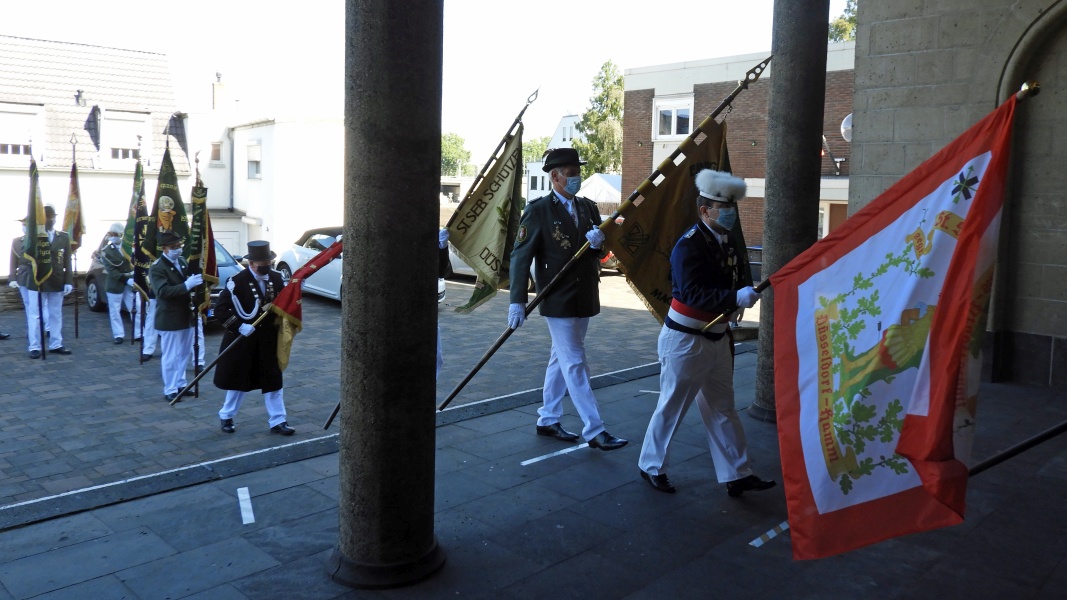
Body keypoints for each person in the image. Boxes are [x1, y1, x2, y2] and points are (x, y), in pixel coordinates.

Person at [636, 169, 775, 497]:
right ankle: (651, 465)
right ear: (704, 211)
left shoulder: (725, 242)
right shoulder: (689, 246)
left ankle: (737, 473)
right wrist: (733, 297)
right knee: (672, 406)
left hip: (716, 337)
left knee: (723, 407)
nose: (729, 213)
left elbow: (729, 281)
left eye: (731, 208)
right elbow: (691, 292)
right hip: (686, 339)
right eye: (722, 207)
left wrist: (741, 293)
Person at [507, 148, 626, 451]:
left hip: (584, 294)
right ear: (555, 176)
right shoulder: (539, 210)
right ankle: (595, 429)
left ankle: (547, 418)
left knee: (560, 359)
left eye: (577, 172)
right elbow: (521, 258)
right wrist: (517, 300)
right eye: (570, 173)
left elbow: (599, 251)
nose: (576, 178)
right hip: (557, 297)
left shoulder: (587, 207)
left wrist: (600, 244)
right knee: (575, 362)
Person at [214, 240, 294, 436]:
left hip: (268, 340)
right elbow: (221, 310)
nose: (267, 266)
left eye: (269, 262)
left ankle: (278, 420)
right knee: (238, 383)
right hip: (243, 340)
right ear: (251, 264)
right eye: (263, 264)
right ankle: (226, 415)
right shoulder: (237, 281)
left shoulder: (275, 278)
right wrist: (239, 325)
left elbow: (283, 304)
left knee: (274, 382)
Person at [150, 230, 201, 402]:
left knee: (184, 353)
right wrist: (186, 285)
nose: (177, 249)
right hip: (170, 318)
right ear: (164, 248)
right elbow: (163, 291)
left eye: (179, 246)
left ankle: (181, 383)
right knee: (171, 355)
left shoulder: (180, 262)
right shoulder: (158, 267)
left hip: (186, 314)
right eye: (173, 247)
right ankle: (170, 388)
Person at [24, 206, 73, 358]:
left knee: (55, 314)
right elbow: (24, 258)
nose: (51, 219)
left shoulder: (63, 237)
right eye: (48, 217)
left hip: (57, 280)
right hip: (36, 281)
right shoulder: (33, 237)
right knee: (35, 315)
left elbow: (67, 261)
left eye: (53, 216)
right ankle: (34, 346)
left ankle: (56, 344)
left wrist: (68, 281)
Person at [101, 222, 135, 344]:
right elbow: (112, 271)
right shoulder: (106, 251)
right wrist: (126, 279)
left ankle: (137, 333)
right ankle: (118, 335)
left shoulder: (129, 248)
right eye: (111, 234)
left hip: (130, 282)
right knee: (115, 310)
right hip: (115, 284)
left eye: (116, 234)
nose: (113, 236)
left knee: (133, 307)